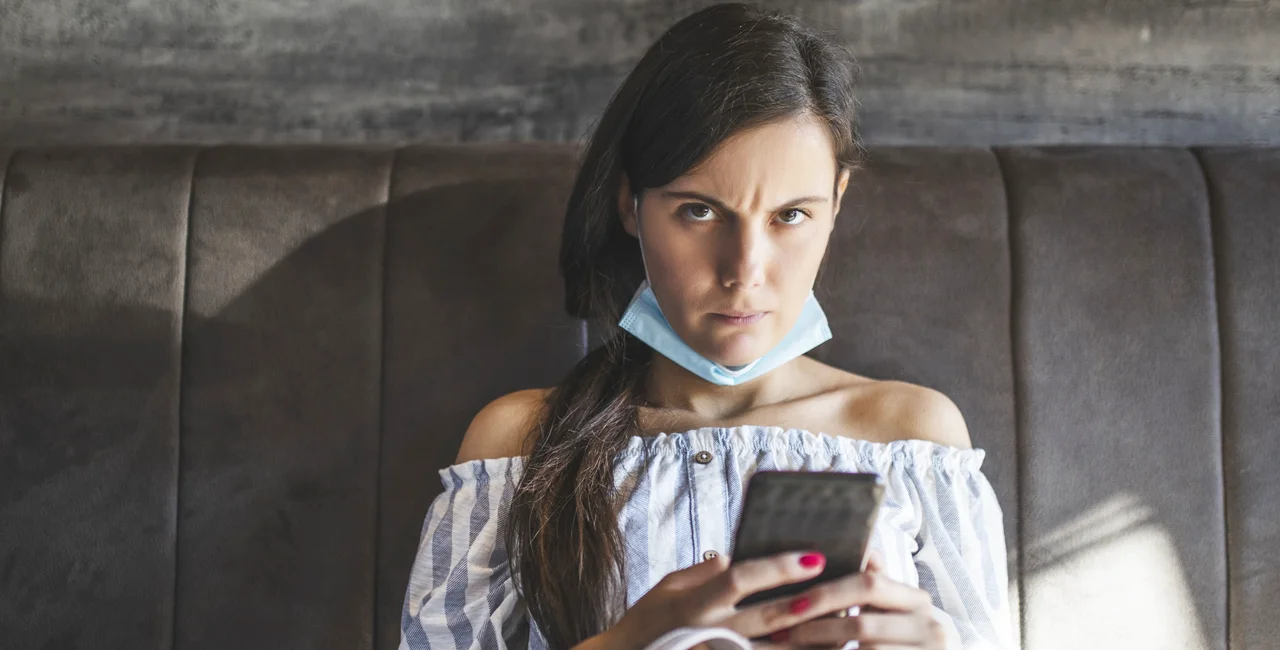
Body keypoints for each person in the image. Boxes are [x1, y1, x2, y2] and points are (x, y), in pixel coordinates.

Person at [399, 3, 1016, 649]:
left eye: (791, 216)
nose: (744, 270)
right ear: (629, 205)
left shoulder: (913, 438)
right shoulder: (520, 443)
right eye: (698, 210)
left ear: (836, 202)